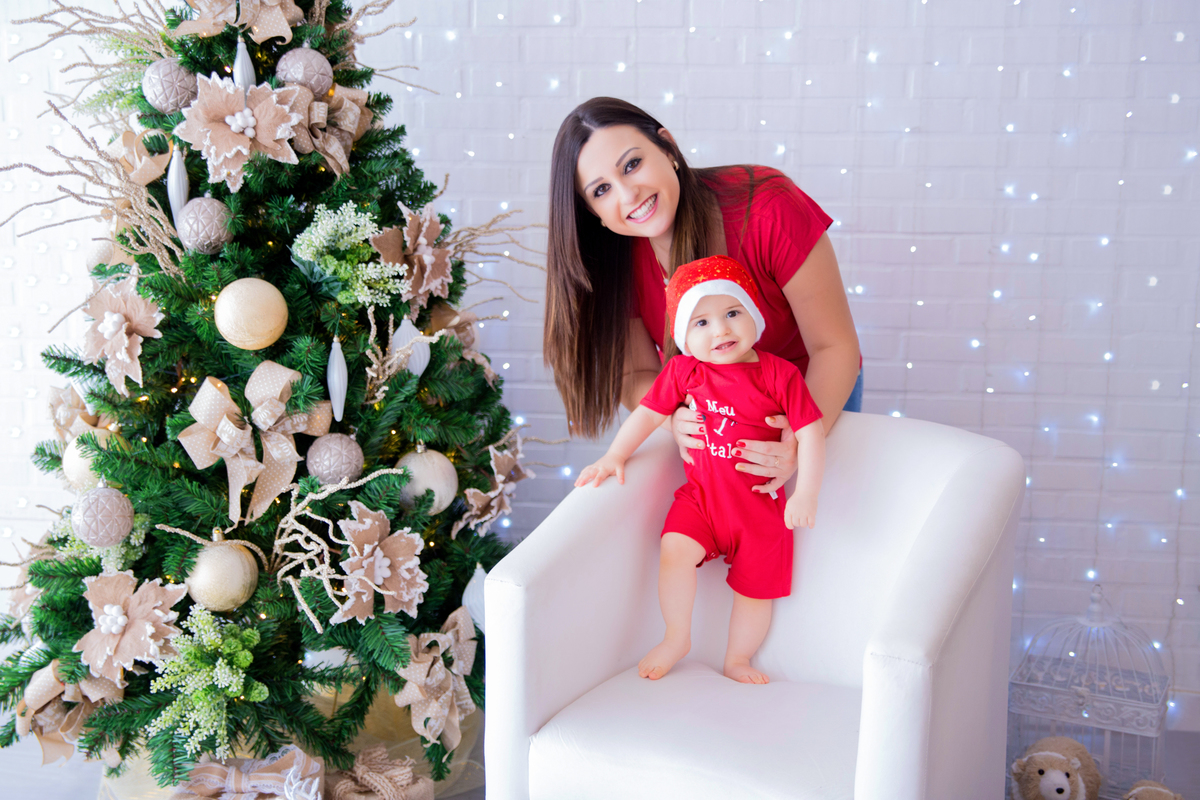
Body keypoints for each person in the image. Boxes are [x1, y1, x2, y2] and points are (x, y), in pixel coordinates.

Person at [544, 97, 859, 495]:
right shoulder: (613, 262)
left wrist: (799, 439)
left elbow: (834, 346)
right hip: (721, 414)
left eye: (632, 164)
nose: (628, 194)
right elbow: (636, 375)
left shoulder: (768, 207)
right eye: (602, 189)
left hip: (813, 391)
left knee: (822, 521)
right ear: (593, 213)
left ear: (668, 147)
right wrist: (673, 415)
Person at [574, 256, 825, 684]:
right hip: (703, 500)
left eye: (732, 313)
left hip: (760, 511)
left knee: (754, 593)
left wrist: (806, 494)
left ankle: (738, 658)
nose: (721, 330)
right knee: (674, 550)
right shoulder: (683, 371)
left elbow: (811, 433)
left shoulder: (779, 374)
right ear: (684, 337)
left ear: (753, 315)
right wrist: (614, 455)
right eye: (701, 322)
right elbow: (649, 415)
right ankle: (676, 637)